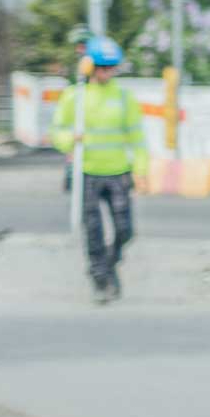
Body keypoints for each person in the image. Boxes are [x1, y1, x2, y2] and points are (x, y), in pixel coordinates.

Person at [52, 37, 147, 304]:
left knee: (125, 230)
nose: (107, 72)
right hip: (88, 173)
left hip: (118, 172)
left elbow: (137, 138)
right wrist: (70, 139)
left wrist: (141, 170)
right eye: (103, 67)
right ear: (90, 67)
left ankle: (109, 263)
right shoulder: (75, 97)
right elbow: (57, 131)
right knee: (93, 230)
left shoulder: (123, 98)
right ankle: (100, 281)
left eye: (112, 68)